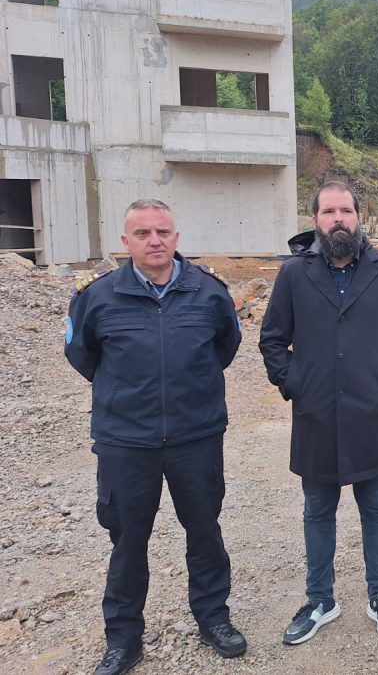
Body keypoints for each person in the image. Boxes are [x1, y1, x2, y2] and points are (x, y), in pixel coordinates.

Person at [66, 200, 245, 675]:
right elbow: (81, 356)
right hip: (127, 443)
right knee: (128, 542)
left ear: (177, 236)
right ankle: (123, 640)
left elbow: (226, 346)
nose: (154, 241)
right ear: (125, 242)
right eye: (142, 233)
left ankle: (213, 620)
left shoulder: (209, 292)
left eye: (162, 231)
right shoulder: (97, 297)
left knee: (205, 533)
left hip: (196, 436)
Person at [259, 182, 378, 644]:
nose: (338, 219)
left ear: (358, 218)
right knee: (317, 510)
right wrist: (294, 382)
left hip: (375, 411)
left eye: (346, 210)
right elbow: (273, 339)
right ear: (315, 220)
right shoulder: (294, 274)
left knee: (375, 507)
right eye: (329, 211)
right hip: (316, 413)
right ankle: (320, 600)